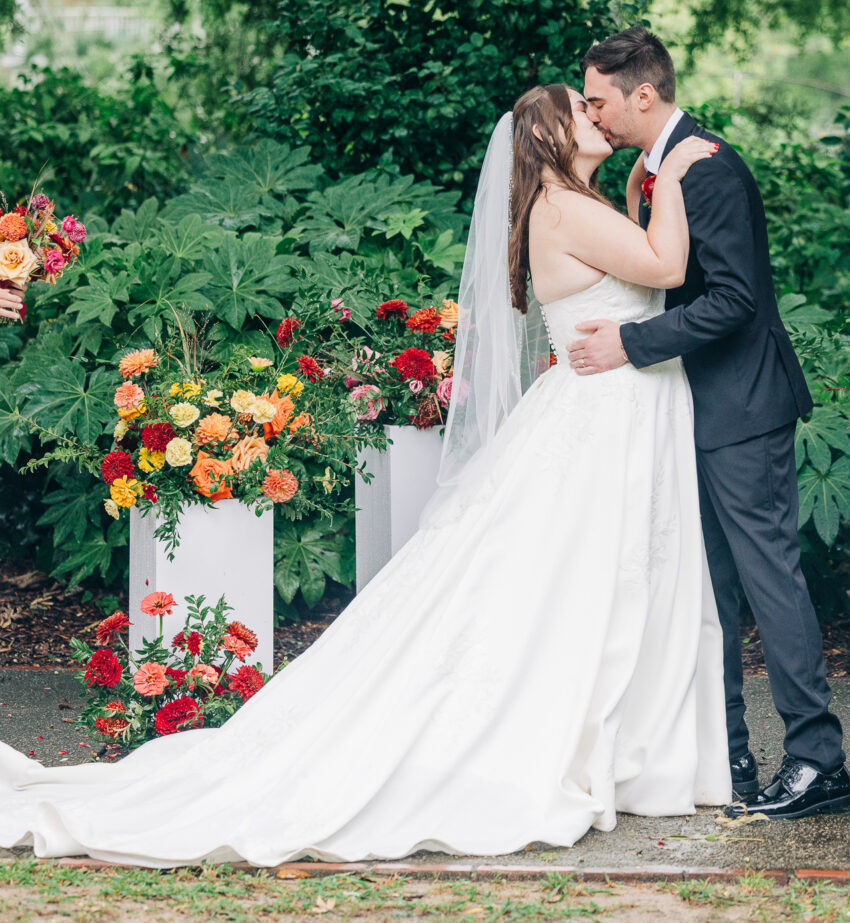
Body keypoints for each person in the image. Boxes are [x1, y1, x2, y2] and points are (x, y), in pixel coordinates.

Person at [0, 85, 733, 866]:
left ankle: (623, 749)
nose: (596, 115)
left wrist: (636, 188)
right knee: (580, 585)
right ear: (550, 136)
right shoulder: (561, 205)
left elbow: (631, 267)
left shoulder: (569, 203)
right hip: (600, 419)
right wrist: (678, 175)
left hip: (610, 415)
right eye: (579, 110)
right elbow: (666, 263)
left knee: (595, 583)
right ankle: (591, 749)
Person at [569, 27, 850, 820]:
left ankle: (817, 760)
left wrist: (628, 343)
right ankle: (726, 750)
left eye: (598, 99)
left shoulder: (709, 167)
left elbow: (733, 301)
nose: (593, 113)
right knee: (709, 591)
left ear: (643, 94)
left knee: (770, 581)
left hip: (740, 406)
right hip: (683, 408)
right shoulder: (653, 168)